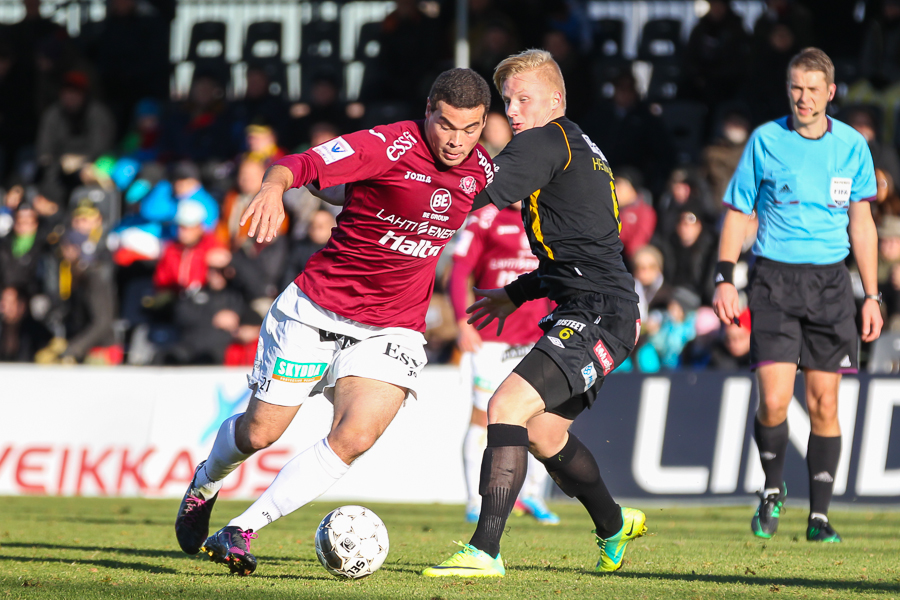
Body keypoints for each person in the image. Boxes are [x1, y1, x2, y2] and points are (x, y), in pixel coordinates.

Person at [174, 68, 494, 575]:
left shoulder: (483, 170)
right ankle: (206, 483)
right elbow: (297, 164)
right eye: (447, 125)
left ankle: (241, 529)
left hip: (393, 328)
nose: (457, 141)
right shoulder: (388, 144)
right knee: (260, 434)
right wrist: (274, 189)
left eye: (471, 128)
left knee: (355, 437)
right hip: (316, 311)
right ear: (429, 109)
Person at [424, 49, 645, 578]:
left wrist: (405, 191)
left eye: (524, 99)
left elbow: (473, 195)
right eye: (509, 101)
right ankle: (614, 524)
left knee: (504, 407)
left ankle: (484, 551)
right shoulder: (577, 145)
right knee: (545, 435)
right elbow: (577, 253)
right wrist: (514, 294)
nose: (515, 111)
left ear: (556, 99)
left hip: (596, 313)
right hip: (601, 309)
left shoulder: (544, 141)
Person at [713, 48, 882, 544]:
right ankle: (771, 488)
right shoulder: (766, 140)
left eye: (812, 89)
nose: (803, 98)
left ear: (831, 92)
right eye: (795, 88)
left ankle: (820, 516)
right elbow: (739, 212)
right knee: (775, 401)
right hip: (773, 281)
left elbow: (863, 223)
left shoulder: (852, 146)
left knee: (825, 403)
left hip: (830, 284)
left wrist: (871, 294)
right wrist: (726, 276)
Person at [449, 202, 559, 525]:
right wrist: (461, 321)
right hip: (491, 340)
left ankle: (533, 496)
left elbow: (556, 276)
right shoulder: (484, 218)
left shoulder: (546, 216)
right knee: (482, 418)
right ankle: (475, 499)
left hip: (536, 337)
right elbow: (458, 271)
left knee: (539, 420)